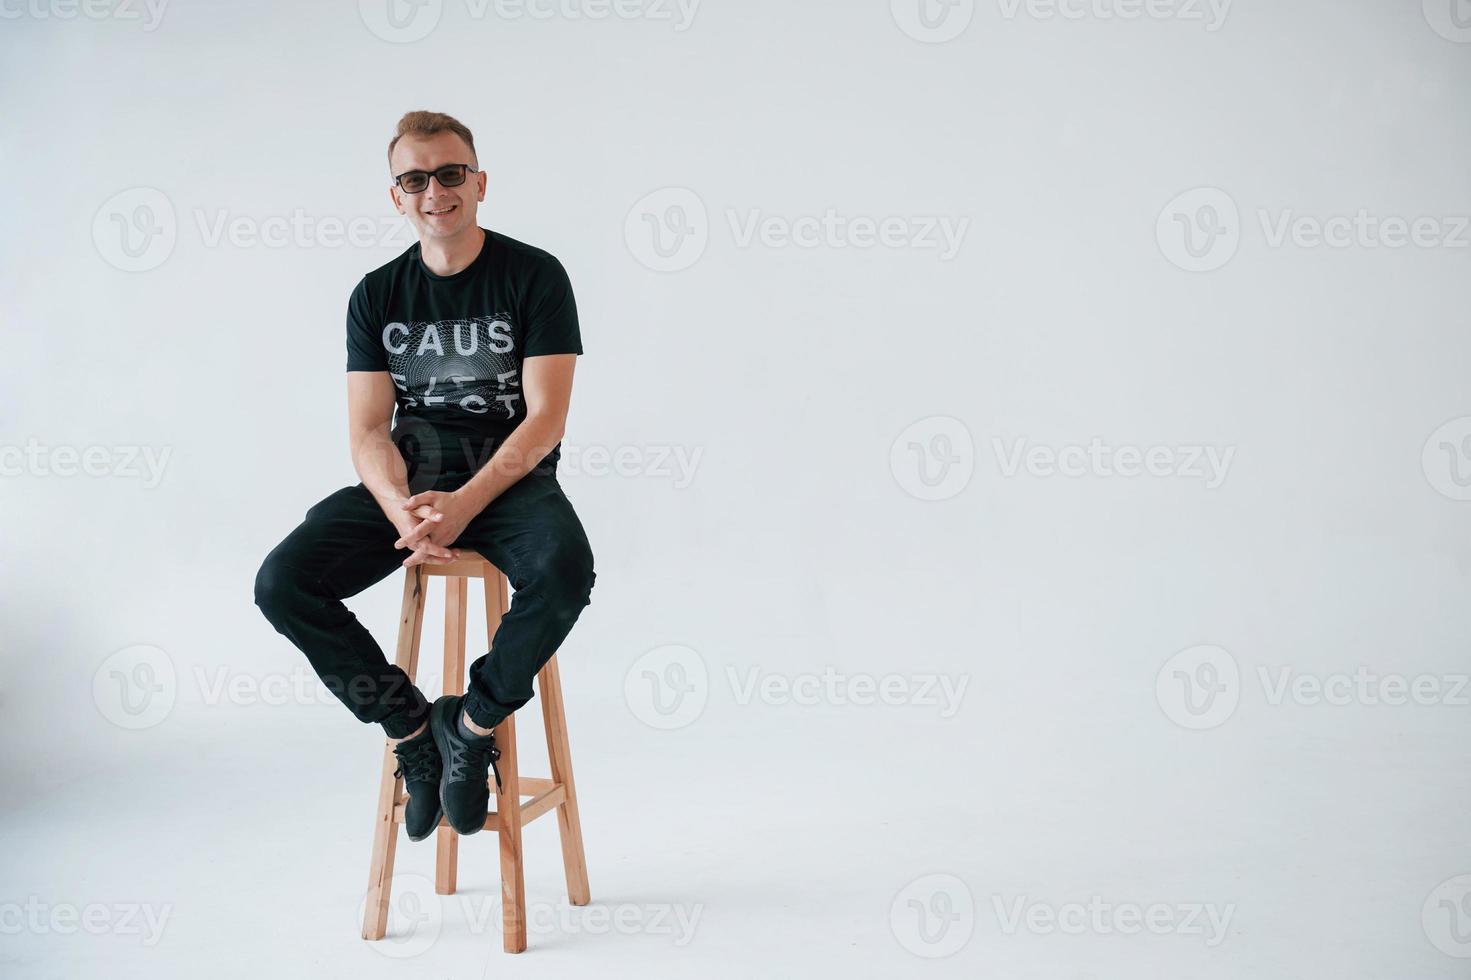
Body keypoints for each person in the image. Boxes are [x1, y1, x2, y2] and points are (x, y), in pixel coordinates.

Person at [253, 109, 596, 841]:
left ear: (478, 183)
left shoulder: (535, 275)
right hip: (411, 481)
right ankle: (413, 730)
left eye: (449, 174)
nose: (433, 190)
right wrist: (399, 506)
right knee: (282, 582)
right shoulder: (375, 294)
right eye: (415, 178)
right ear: (397, 196)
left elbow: (545, 420)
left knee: (566, 572)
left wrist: (467, 504)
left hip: (509, 479)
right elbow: (368, 429)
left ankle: (472, 726)